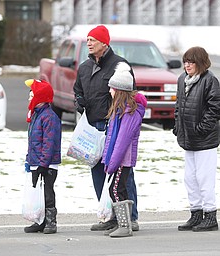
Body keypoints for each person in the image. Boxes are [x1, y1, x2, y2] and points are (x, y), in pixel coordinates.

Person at [73, 24, 140, 232]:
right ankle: (110, 215)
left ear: (104, 43)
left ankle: (131, 217)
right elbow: (77, 90)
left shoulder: (120, 65)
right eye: (88, 39)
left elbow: (129, 93)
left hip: (114, 126)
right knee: (98, 172)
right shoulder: (84, 68)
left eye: (93, 40)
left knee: (120, 173)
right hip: (92, 126)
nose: (89, 43)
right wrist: (79, 100)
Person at [173, 46, 220, 232]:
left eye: (191, 62)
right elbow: (178, 105)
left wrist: (201, 129)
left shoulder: (209, 80)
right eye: (185, 61)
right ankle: (196, 213)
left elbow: (216, 108)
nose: (187, 65)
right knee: (190, 179)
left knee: (204, 178)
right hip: (188, 139)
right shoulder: (182, 80)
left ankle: (210, 215)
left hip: (205, 140)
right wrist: (178, 126)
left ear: (200, 63)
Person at [102, 62, 146, 238]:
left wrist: (112, 163)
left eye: (112, 89)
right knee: (118, 189)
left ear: (119, 90)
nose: (109, 91)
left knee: (115, 189)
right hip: (118, 158)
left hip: (122, 159)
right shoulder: (119, 110)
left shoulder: (129, 112)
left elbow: (122, 141)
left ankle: (125, 225)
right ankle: (124, 223)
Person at [23, 79, 61, 234]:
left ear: (39, 97)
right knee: (37, 192)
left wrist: (43, 164)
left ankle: (51, 221)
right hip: (36, 162)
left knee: (47, 191)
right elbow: (33, 140)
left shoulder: (49, 117)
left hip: (47, 164)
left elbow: (49, 143)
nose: (29, 98)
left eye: (31, 95)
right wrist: (29, 159)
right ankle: (40, 220)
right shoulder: (36, 116)